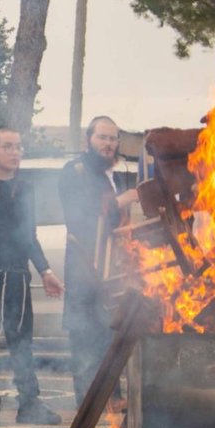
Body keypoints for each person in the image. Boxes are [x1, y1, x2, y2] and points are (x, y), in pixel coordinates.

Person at [0, 128, 65, 427]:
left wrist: (45, 270)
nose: (16, 152)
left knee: (21, 341)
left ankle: (29, 404)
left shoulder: (26, 189)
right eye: (8, 147)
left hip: (18, 276)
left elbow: (29, 236)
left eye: (18, 147)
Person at [58, 116, 135, 406]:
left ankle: (111, 404)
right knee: (84, 343)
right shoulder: (74, 172)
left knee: (108, 340)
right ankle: (88, 409)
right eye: (102, 137)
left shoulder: (106, 175)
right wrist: (122, 200)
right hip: (83, 272)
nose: (108, 143)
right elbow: (83, 217)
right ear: (88, 139)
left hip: (108, 273)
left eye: (113, 138)